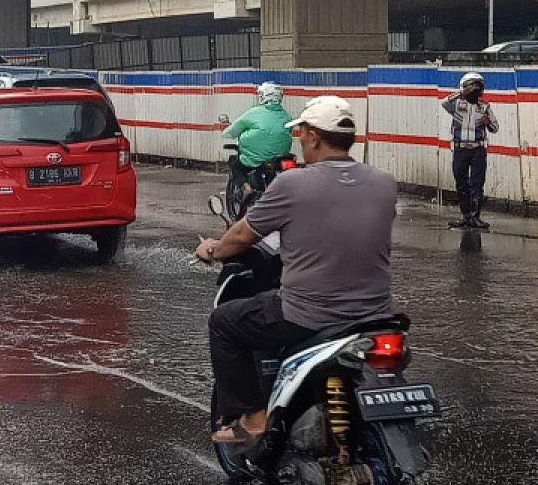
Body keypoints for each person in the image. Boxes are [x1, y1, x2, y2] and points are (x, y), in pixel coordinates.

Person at [194, 95, 397, 445]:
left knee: (223, 323)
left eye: (301, 133)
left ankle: (255, 418)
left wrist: (213, 250)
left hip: (308, 314)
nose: (299, 141)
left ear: (315, 137)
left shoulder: (291, 184)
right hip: (377, 314)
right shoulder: (384, 183)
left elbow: (242, 234)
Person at [441, 72, 499, 230]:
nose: (476, 92)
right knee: (461, 182)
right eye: (473, 88)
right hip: (460, 148)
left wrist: (488, 123)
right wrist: (460, 93)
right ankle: (466, 216)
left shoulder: (485, 107)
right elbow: (444, 102)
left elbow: (495, 128)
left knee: (477, 183)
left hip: (478, 149)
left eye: (478, 88)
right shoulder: (457, 104)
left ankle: (475, 217)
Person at [222, 82, 293, 201]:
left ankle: (246, 187)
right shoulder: (286, 116)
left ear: (263, 95)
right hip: (280, 158)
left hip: (257, 159)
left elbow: (234, 129)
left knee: (235, 164)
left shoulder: (254, 113)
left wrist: (227, 132)